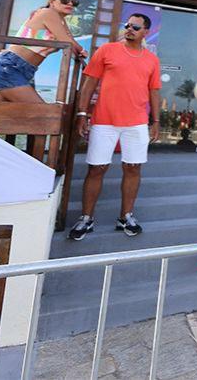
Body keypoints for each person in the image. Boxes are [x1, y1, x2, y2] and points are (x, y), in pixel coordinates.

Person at [68, 13, 162, 240]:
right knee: (96, 169)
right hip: (104, 120)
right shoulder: (107, 50)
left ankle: (125, 217)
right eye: (127, 25)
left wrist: (156, 121)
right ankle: (86, 218)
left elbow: (154, 92)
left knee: (133, 168)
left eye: (136, 27)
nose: (129, 29)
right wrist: (82, 113)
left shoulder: (152, 60)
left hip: (137, 122)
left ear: (146, 32)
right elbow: (89, 82)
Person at [0, 0, 87, 102]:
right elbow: (67, 41)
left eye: (74, 2)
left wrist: (78, 50)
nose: (70, 4)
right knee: (40, 111)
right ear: (52, 1)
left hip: (23, 70)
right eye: (64, 0)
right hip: (9, 67)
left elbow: (70, 41)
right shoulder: (48, 13)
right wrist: (82, 50)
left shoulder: (60, 21)